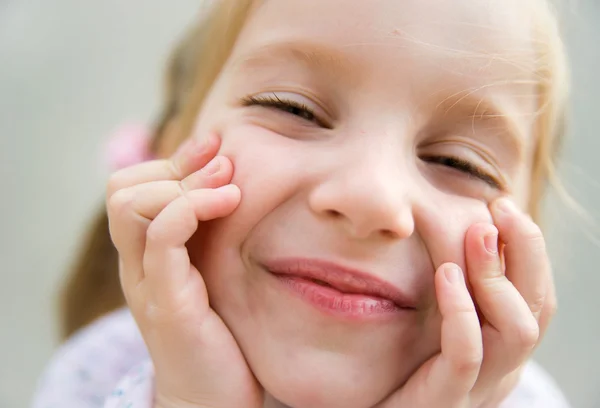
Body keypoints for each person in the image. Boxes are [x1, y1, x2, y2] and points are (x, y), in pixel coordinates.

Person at [33, 0, 573, 406]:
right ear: (169, 151)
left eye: (461, 163)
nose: (370, 198)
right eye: (293, 109)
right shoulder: (94, 375)